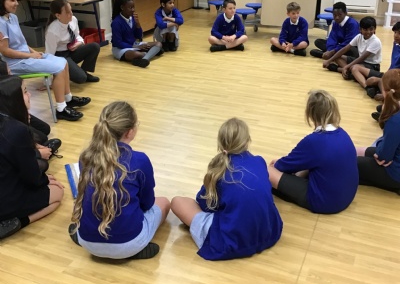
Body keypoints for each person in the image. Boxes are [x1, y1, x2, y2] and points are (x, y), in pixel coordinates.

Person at [69, 101, 170, 259]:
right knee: (164, 203)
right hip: (129, 244)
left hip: (87, 242)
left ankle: (97, 243)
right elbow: (147, 203)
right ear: (130, 132)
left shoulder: (86, 156)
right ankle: (135, 250)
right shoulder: (139, 160)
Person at [171, 118, 283, 261]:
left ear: (220, 144)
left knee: (177, 202)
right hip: (269, 233)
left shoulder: (218, 171)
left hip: (230, 243)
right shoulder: (259, 161)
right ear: (247, 140)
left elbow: (205, 204)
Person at [0, 0, 91, 121]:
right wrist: (31, 56)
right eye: (12, 0)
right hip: (15, 63)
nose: (17, 3)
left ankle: (68, 99)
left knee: (64, 62)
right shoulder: (1, 23)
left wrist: (35, 53)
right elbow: (5, 51)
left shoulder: (13, 18)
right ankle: (61, 109)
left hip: (27, 57)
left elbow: (22, 43)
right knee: (58, 67)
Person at [267, 90, 358, 214]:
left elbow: (283, 166)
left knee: (267, 170)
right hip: (347, 195)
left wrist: (276, 164)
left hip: (327, 202)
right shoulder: (343, 133)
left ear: (310, 113)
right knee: (310, 163)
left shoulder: (313, 141)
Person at [0, 75, 64, 240]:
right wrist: (45, 181)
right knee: (58, 192)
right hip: (6, 200)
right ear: (14, 100)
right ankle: (19, 222)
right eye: (25, 92)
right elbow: (30, 175)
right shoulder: (16, 130)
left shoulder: (9, 124)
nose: (29, 95)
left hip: (6, 184)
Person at [357, 69, 400, 194]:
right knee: (362, 151)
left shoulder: (395, 120)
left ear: (385, 92)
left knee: (348, 163)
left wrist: (381, 151)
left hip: (395, 173)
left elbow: (384, 157)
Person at [45, 0, 100, 83]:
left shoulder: (73, 20)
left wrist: (79, 43)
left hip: (71, 51)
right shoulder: (52, 31)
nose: (71, 14)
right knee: (81, 78)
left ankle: (84, 72)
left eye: (71, 10)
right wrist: (48, 82)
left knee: (95, 46)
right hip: (60, 56)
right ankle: (79, 74)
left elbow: (77, 36)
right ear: (58, 15)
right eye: (67, 12)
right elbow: (49, 55)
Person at [322, 16, 382, 92]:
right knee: (337, 56)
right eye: (365, 29)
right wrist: (329, 60)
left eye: (371, 29)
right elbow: (345, 48)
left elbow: (362, 58)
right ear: (360, 29)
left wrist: (347, 67)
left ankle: (367, 87)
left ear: (374, 29)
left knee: (355, 68)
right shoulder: (359, 37)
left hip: (372, 65)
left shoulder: (376, 41)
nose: (368, 32)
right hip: (361, 62)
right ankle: (348, 72)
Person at [111, 0, 162, 68]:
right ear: (122, 7)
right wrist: (136, 46)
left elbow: (139, 36)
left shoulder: (132, 18)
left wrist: (138, 24)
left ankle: (144, 59)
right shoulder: (116, 22)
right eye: (130, 8)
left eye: (133, 7)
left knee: (158, 44)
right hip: (121, 48)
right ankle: (149, 54)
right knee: (136, 54)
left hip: (134, 44)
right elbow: (118, 43)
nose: (133, 10)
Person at [367, 22, 400, 109]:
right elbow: (393, 64)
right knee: (370, 81)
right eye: (395, 32)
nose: (396, 35)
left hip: (397, 80)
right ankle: (384, 95)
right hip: (391, 75)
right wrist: (386, 77)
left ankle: (387, 102)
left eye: (399, 33)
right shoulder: (396, 44)